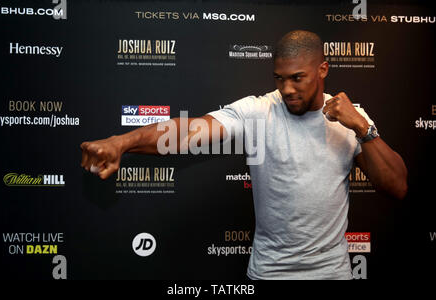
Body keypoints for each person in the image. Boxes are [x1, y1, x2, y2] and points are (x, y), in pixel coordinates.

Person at [80, 30, 408, 280]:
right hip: (269, 273)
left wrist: (363, 129)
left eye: (298, 78)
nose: (288, 89)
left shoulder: (353, 118)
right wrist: (120, 142)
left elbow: (396, 186)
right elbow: (185, 132)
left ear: (322, 69)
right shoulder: (258, 111)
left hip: (331, 274)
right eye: (280, 78)